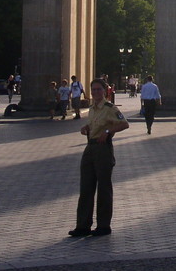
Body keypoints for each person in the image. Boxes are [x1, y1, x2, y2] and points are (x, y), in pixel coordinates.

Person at [69, 79, 129, 238]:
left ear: (105, 91)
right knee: (86, 188)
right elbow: (94, 125)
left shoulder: (110, 108)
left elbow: (124, 124)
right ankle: (82, 226)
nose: (95, 92)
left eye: (98, 90)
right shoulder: (92, 109)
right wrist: (86, 127)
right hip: (90, 147)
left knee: (103, 188)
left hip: (103, 149)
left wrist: (108, 131)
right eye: (93, 90)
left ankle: (103, 225)